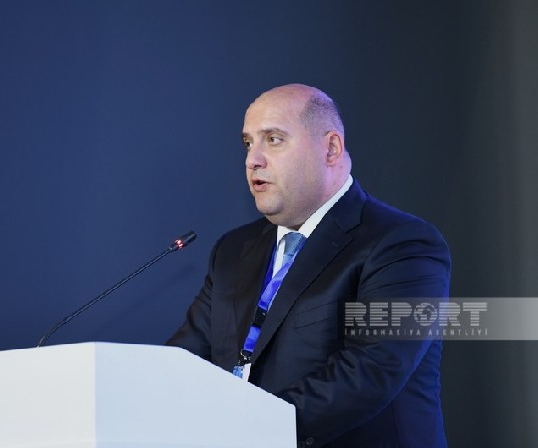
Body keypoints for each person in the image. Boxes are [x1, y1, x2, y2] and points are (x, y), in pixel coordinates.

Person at [167, 84, 450, 448]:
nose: (253, 159)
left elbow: (368, 373)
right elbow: (185, 360)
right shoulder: (232, 250)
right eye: (248, 143)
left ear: (330, 148)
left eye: (273, 139)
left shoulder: (402, 244)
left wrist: (244, 430)